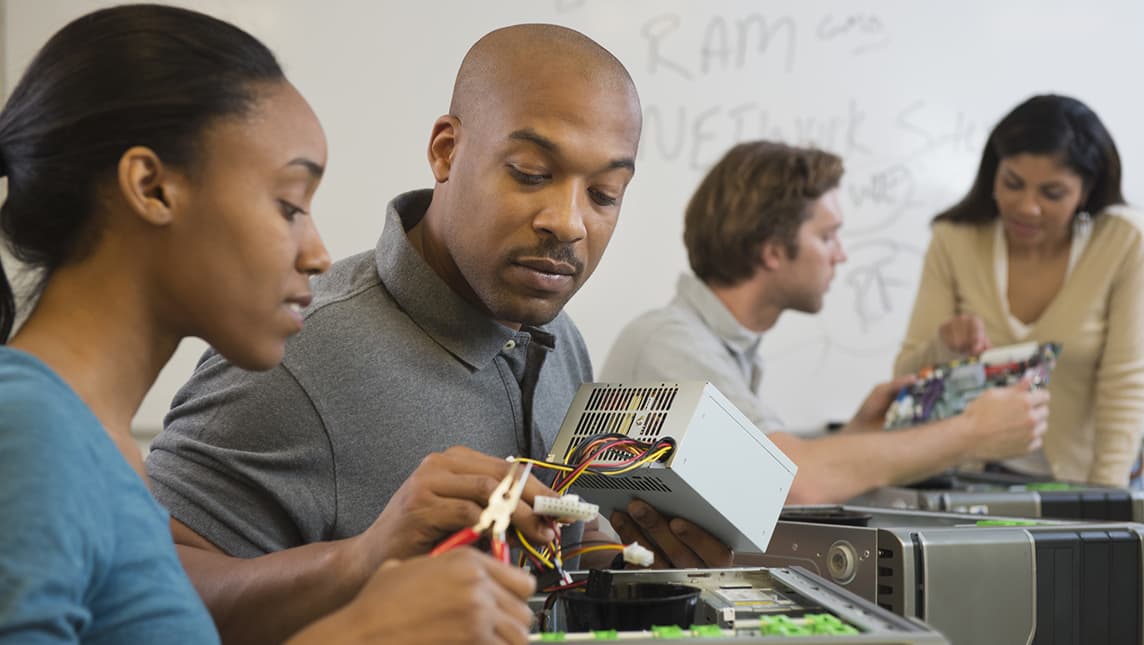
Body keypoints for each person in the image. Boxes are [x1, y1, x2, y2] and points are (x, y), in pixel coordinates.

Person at [142, 22, 733, 644]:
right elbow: (145, 598)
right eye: (531, 173)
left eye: (604, 194)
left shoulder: (558, 336)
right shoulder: (295, 351)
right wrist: (363, 561)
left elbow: (542, 572)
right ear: (446, 151)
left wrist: (628, 571)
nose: (568, 223)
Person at [0, 5, 536, 644]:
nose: (317, 253)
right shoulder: (29, 429)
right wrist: (359, 633)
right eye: (288, 205)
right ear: (152, 186)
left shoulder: (96, 445)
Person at [600, 140, 1051, 505]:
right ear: (773, 250)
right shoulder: (671, 345)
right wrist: (972, 434)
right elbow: (787, 485)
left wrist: (855, 439)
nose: (841, 253)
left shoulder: (716, 346)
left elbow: (768, 472)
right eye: (827, 235)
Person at [894, 95, 1144, 488]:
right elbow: (905, 381)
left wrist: (1106, 500)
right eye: (1013, 183)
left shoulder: (1123, 242)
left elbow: (1126, 382)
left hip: (1080, 485)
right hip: (964, 481)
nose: (1027, 207)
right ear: (994, 172)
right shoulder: (954, 240)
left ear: (1087, 189)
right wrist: (943, 346)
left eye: (1052, 193)